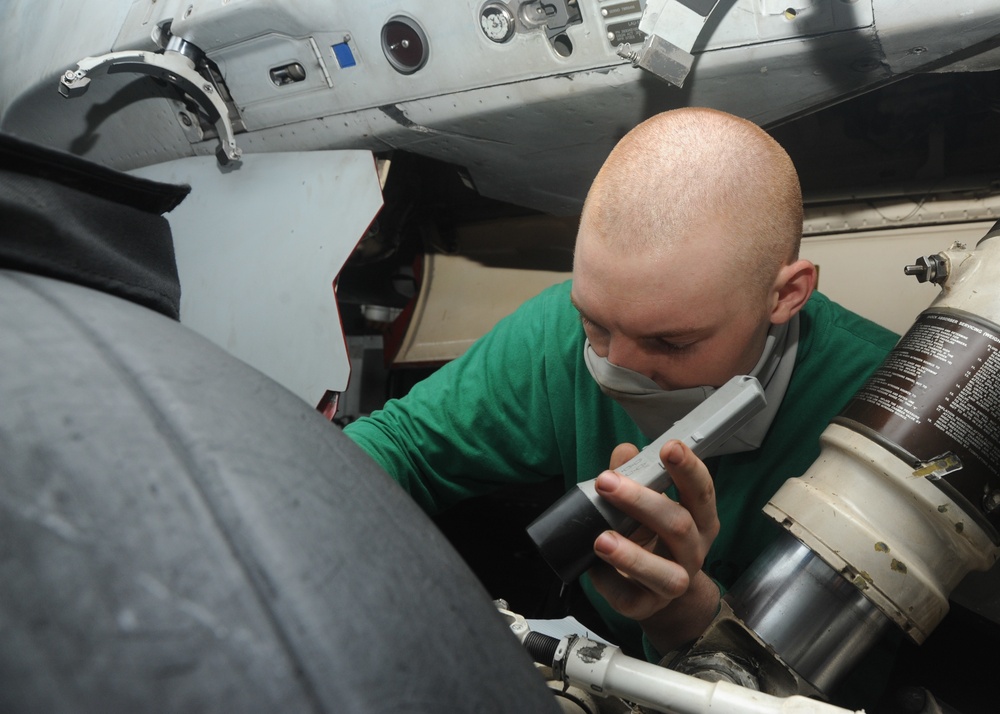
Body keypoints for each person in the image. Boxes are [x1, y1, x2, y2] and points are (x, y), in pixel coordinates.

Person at [343, 107, 899, 684]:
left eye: (672, 341)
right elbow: (399, 447)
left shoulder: (890, 410)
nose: (615, 365)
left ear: (786, 295)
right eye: (597, 324)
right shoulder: (559, 333)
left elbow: (856, 679)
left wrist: (685, 617)